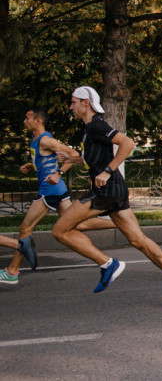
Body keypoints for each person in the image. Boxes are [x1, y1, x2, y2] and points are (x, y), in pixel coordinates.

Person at [52, 86, 162, 309]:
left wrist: (107, 171)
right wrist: (75, 160)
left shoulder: (97, 125)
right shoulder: (90, 129)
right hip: (114, 189)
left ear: (85, 103)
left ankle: (107, 264)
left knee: (60, 230)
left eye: (73, 102)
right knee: (138, 240)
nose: (71, 107)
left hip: (106, 190)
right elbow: (96, 157)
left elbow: (128, 144)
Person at [0, 108, 114, 285]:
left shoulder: (46, 139)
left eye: (27, 117)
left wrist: (58, 173)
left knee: (25, 228)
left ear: (37, 121)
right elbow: (46, 159)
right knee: (79, 223)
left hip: (49, 190)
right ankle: (117, 221)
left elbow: (75, 155)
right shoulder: (37, 139)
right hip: (56, 189)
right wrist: (31, 166)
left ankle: (13, 271)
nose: (24, 121)